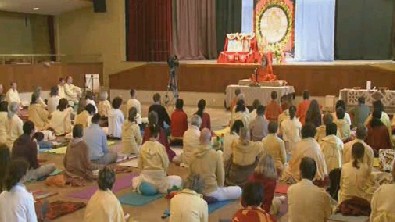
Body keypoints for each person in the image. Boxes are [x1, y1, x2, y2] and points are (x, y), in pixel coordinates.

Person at [188, 128, 242, 201]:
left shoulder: (192, 154)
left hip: (195, 192)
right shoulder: (216, 154)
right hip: (212, 192)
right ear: (211, 139)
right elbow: (221, 179)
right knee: (238, 190)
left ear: (199, 139)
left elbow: (190, 176)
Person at [132, 124, 181, 194]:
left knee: (135, 180)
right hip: (160, 178)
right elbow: (166, 164)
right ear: (158, 135)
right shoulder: (161, 147)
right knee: (178, 179)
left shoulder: (142, 147)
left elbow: (140, 165)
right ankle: (159, 188)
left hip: (146, 178)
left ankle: (148, 187)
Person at [288, 157, 332, 222]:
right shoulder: (323, 194)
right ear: (314, 174)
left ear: (300, 171)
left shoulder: (291, 189)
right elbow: (328, 216)